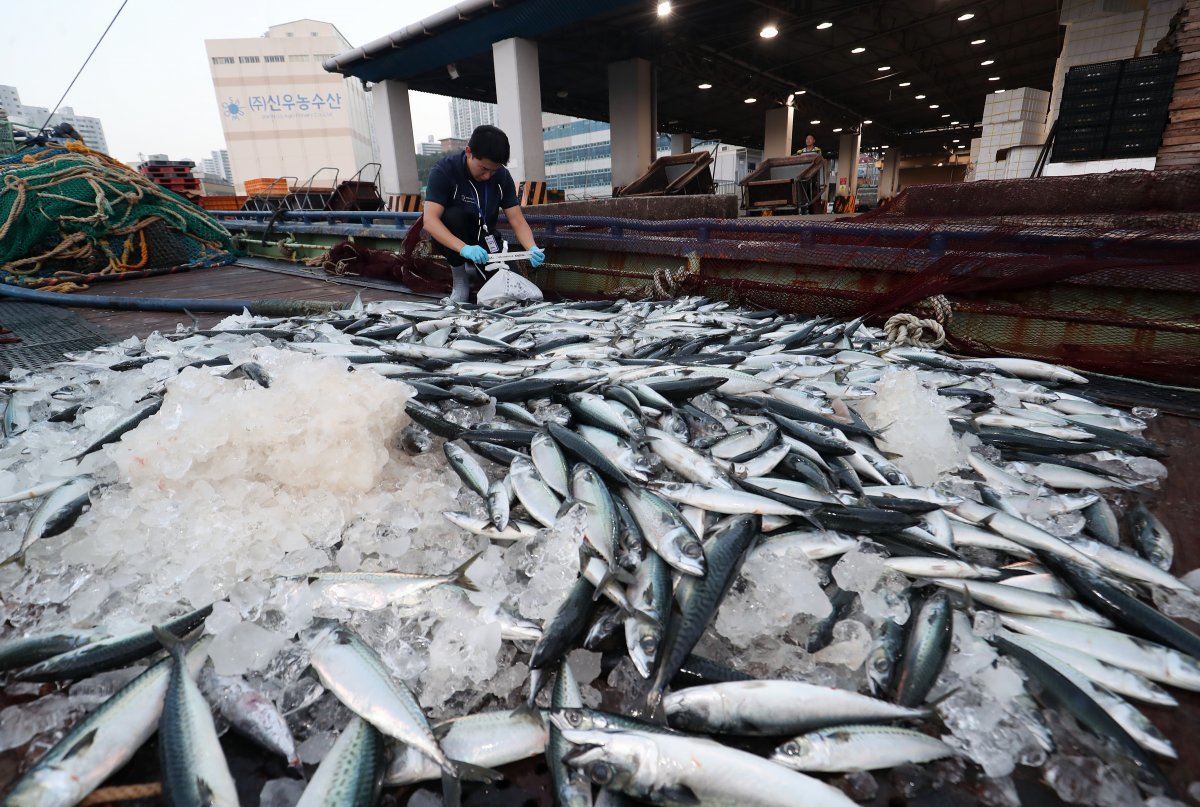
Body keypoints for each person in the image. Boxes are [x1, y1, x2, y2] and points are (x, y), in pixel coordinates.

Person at [422, 125, 546, 303]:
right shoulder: (444, 172)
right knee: (452, 216)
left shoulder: (502, 177)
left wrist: (531, 248)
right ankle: (460, 278)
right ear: (469, 152)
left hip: (486, 238)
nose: (488, 176)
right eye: (483, 168)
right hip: (456, 237)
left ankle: (474, 270)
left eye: (493, 170)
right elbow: (430, 221)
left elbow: (517, 221)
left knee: (514, 294)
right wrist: (465, 249)